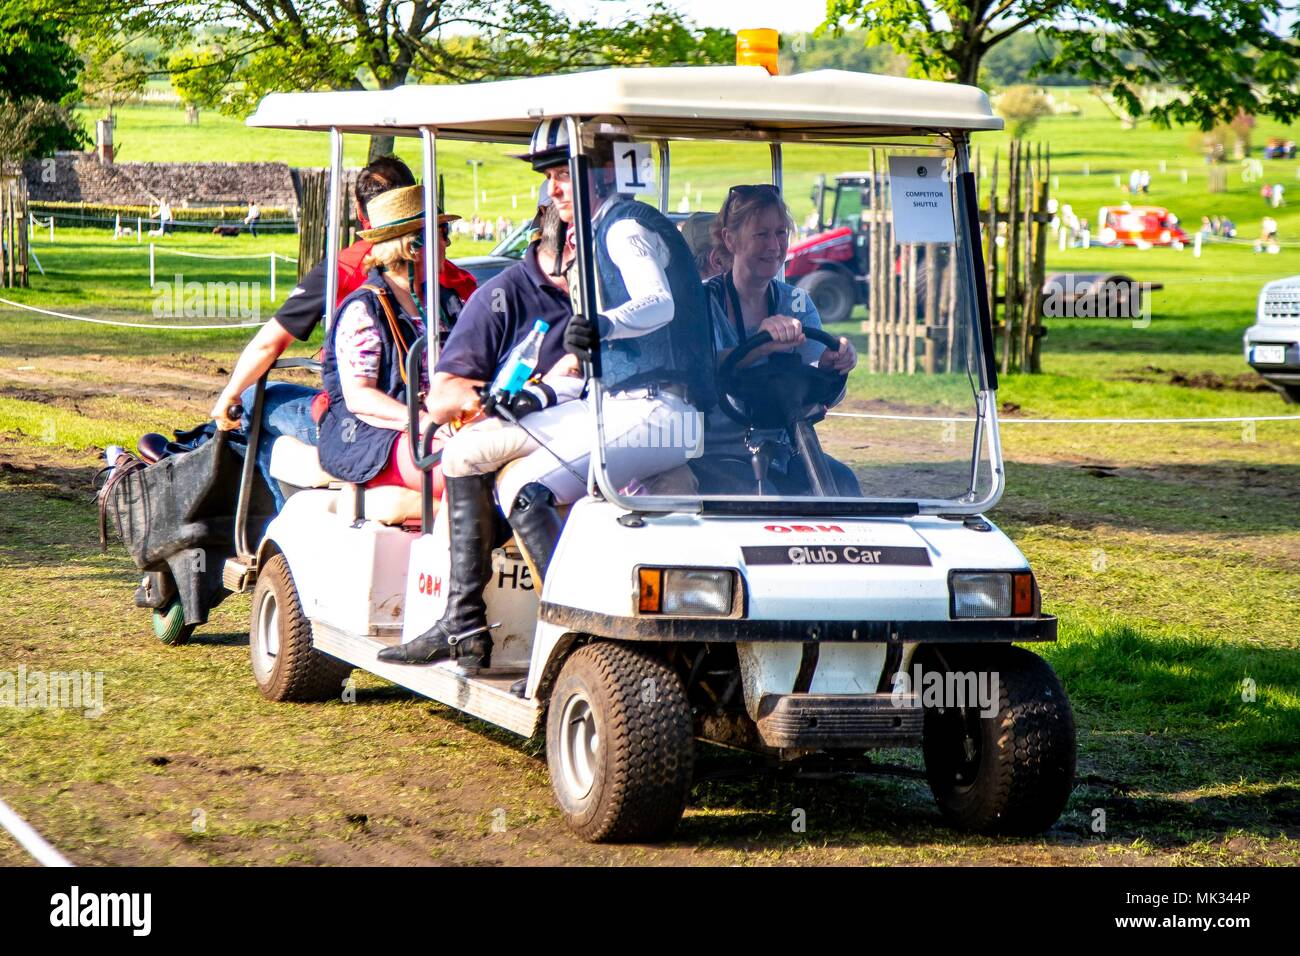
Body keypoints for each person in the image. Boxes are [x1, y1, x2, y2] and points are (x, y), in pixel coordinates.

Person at [380, 119, 716, 670]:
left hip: (661, 411)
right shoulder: (598, 229)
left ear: (601, 173)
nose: (553, 190)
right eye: (552, 177)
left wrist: (605, 325)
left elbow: (658, 304)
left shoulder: (620, 227)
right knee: (479, 461)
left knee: (525, 489)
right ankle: (466, 623)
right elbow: (588, 362)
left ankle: (567, 636)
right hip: (621, 405)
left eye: (563, 175)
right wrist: (538, 395)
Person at [208, 156, 475, 509]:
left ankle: (279, 521)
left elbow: (270, 344)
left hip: (386, 417)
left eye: (444, 234)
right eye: (442, 234)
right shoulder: (455, 282)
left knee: (249, 402)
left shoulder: (345, 268)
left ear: (364, 217)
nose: (446, 244)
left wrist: (228, 394)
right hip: (406, 413)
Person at [694, 184, 859, 497]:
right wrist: (762, 344)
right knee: (763, 495)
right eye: (761, 235)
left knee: (843, 483)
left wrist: (831, 365)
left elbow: (824, 395)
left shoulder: (797, 302)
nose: (774, 246)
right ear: (730, 239)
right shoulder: (702, 301)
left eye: (781, 233)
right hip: (713, 451)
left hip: (781, 448)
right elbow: (701, 374)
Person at [316, 185, 463, 494]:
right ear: (414, 245)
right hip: (371, 438)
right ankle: (448, 544)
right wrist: (425, 423)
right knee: (463, 471)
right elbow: (360, 398)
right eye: (442, 231)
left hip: (439, 425)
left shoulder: (446, 302)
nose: (447, 241)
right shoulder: (363, 310)